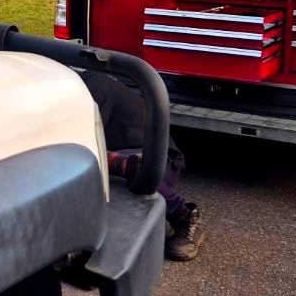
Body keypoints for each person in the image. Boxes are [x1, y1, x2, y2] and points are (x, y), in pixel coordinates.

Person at [79, 71, 204, 261]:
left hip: (157, 163)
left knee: (94, 159)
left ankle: (184, 215)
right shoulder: (73, 91)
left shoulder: (93, 87)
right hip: (122, 158)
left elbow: (82, 144)